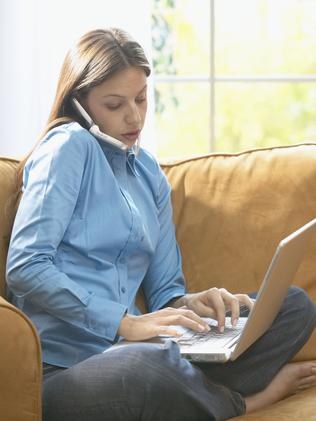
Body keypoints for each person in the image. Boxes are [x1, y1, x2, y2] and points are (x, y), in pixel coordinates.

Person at [6, 27, 316, 421]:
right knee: (146, 369)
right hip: (65, 370)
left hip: (142, 351)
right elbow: (26, 266)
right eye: (114, 104)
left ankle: (191, 393)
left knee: (291, 306)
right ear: (81, 103)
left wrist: (193, 304)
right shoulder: (68, 147)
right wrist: (123, 323)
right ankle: (242, 402)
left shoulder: (148, 171)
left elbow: (165, 291)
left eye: (140, 98)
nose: (134, 116)